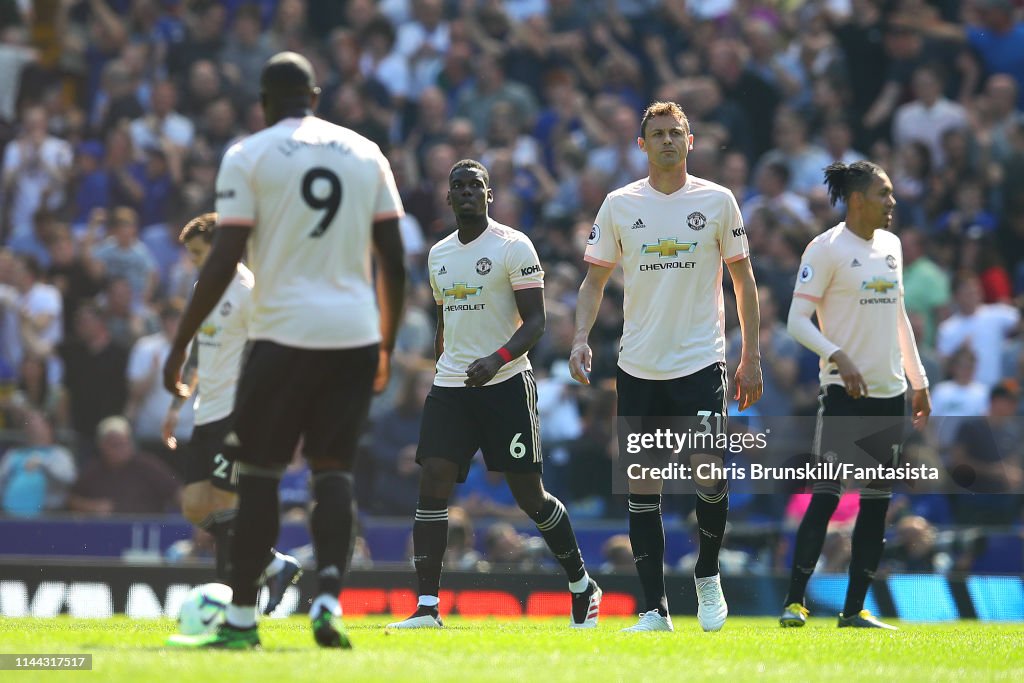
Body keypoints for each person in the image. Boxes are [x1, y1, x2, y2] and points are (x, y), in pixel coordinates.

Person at [163, 52, 406, 650]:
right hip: (352, 335)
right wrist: (386, 344)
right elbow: (395, 261)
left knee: (263, 478)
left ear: (264, 103)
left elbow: (224, 259)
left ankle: (243, 620)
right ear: (316, 97)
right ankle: (327, 598)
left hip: (282, 332)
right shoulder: (365, 152)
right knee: (333, 473)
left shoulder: (248, 153)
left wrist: (178, 346)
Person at [570, 101, 763, 633]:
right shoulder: (619, 204)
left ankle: (707, 573)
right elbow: (593, 281)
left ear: (690, 141)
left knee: (707, 471)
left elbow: (744, 283)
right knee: (643, 487)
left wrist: (751, 355)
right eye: (657, 134)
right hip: (639, 367)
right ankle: (655, 609)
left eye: (675, 133)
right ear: (642, 145)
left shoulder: (718, 201)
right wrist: (580, 338)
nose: (667, 141)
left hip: (701, 361)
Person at [387, 159, 600, 630]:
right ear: (448, 198)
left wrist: (497, 359)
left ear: (489, 195)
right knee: (433, 481)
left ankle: (582, 584)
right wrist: (449, 353)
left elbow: (538, 323)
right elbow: (446, 317)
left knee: (530, 497)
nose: (466, 192)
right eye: (457, 186)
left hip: (505, 384)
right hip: (451, 385)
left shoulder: (513, 246)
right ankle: (426, 607)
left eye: (475, 186)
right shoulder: (438, 254)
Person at [781, 161, 931, 630]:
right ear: (859, 198)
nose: (893, 201)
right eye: (884, 193)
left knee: (876, 502)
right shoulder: (825, 249)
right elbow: (797, 322)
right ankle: (794, 602)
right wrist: (837, 356)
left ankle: (854, 610)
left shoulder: (892, 246)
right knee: (825, 495)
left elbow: (899, 316)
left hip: (890, 394)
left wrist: (919, 379)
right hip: (843, 394)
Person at [160, 212, 301, 612]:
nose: (195, 261)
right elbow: (199, 353)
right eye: (190, 255)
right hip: (206, 412)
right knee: (194, 506)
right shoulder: (205, 287)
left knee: (225, 505)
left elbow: (268, 352)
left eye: (199, 252)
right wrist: (177, 405)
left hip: (236, 414)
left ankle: (240, 601)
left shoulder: (248, 290)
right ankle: (273, 564)